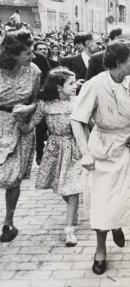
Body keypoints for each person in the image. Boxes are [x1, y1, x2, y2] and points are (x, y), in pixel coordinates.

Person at [70, 39, 130, 275]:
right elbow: (76, 119)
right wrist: (86, 153)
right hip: (102, 150)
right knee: (102, 202)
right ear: (119, 62)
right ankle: (100, 251)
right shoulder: (95, 84)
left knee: (125, 195)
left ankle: (117, 224)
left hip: (127, 149)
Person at [18, 67, 82, 247]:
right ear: (59, 87)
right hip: (55, 148)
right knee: (63, 188)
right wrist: (19, 118)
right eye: (71, 83)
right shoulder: (45, 105)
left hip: (75, 147)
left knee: (73, 188)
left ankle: (69, 230)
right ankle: (73, 210)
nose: (75, 85)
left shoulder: (78, 101)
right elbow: (29, 127)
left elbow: (89, 124)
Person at [0, 29, 40, 243]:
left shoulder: (34, 71)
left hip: (21, 128)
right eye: (28, 53)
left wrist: (27, 109)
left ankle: (8, 221)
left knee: (13, 177)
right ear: (13, 54)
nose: (32, 56)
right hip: (0, 124)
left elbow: (36, 100)